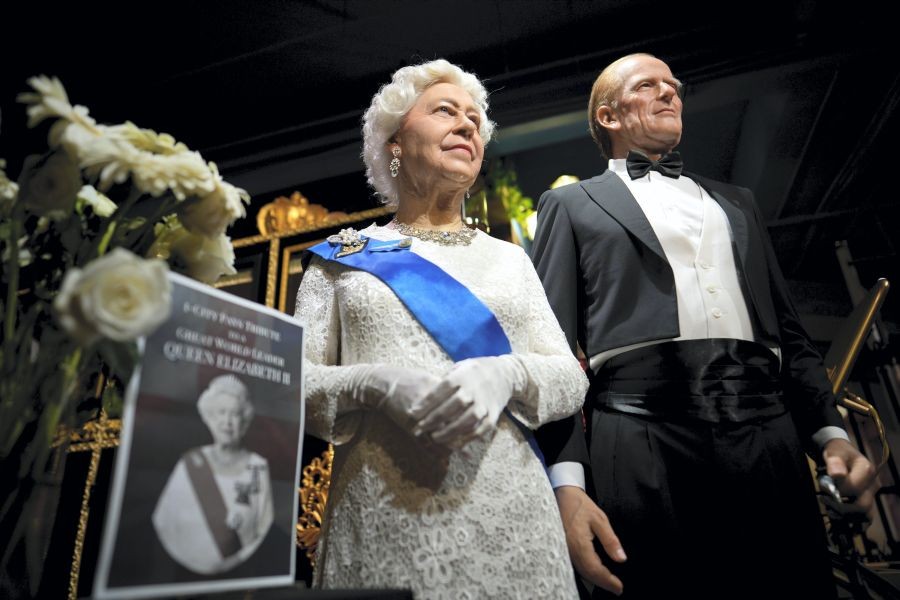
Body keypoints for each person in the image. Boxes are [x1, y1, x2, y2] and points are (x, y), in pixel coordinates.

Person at [531, 53, 877, 599]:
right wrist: (567, 482)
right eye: (649, 86)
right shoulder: (570, 204)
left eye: (675, 86)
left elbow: (788, 335)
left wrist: (830, 435)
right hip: (637, 430)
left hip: (769, 428)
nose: (671, 93)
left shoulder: (738, 202)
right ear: (608, 117)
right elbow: (548, 352)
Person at [293, 59, 587, 598]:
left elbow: (570, 377)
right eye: (445, 111)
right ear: (394, 143)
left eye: (475, 119)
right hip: (383, 516)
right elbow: (287, 384)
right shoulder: (340, 260)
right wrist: (370, 384)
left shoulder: (510, 261)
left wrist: (508, 374)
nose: (468, 125)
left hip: (513, 515)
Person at [152, 374, 273, 575]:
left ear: (244, 421)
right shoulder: (190, 463)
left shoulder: (258, 467)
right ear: (209, 418)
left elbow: (263, 528)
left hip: (239, 574)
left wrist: (234, 564)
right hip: (181, 573)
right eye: (221, 413)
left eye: (234, 414)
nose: (227, 422)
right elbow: (164, 521)